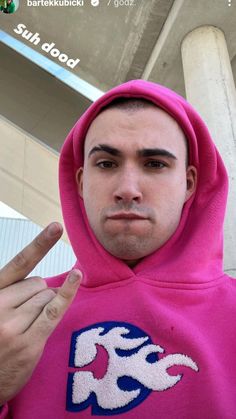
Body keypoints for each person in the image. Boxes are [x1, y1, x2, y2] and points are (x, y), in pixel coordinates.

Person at [0, 79, 235, 418]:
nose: (127, 189)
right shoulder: (16, 319)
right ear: (81, 182)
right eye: (107, 164)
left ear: (188, 183)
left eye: (154, 164)